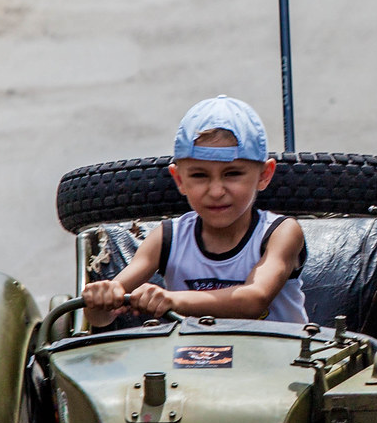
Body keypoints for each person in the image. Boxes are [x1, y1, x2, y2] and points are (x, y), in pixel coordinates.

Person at [83, 95, 307, 326]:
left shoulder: (281, 233)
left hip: (280, 357)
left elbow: (254, 299)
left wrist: (170, 299)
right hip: (192, 357)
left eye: (233, 174)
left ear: (264, 175)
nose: (216, 191)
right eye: (200, 175)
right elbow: (101, 319)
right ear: (179, 179)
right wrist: (102, 299)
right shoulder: (167, 237)